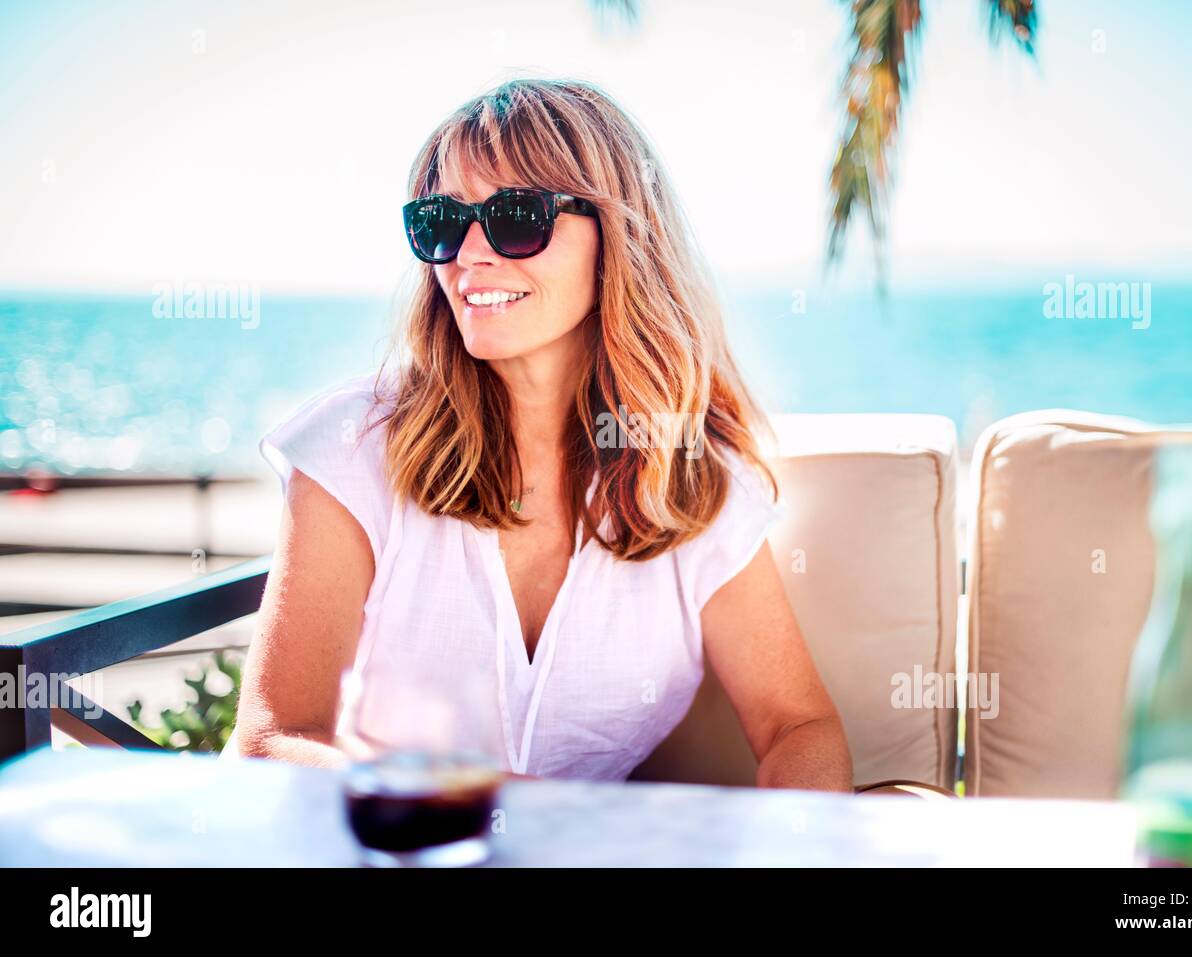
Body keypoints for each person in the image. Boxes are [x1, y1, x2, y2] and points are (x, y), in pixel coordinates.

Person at [233, 78, 852, 791]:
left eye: (515, 216)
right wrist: (534, 821)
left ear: (618, 237)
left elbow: (797, 725)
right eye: (440, 222)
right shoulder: (353, 447)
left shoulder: (688, 478)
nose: (468, 256)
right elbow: (271, 740)